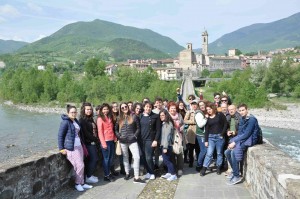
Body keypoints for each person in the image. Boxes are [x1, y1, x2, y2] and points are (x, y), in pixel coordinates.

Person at [58, 105, 93, 192]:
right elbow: (60, 135)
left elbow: (78, 134)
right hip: (71, 148)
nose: (74, 114)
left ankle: (82, 183)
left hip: (79, 146)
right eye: (72, 112)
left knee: (81, 165)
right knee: (79, 165)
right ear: (68, 113)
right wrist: (61, 148)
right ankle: (78, 184)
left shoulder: (75, 121)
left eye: (75, 112)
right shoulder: (65, 122)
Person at [225, 103, 260, 185]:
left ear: (247, 109)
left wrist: (235, 142)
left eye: (243, 110)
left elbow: (247, 134)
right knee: (227, 152)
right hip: (244, 138)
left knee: (234, 152)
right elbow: (240, 133)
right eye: (240, 110)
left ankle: (237, 176)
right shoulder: (242, 119)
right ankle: (235, 171)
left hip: (251, 139)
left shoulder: (252, 119)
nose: (241, 112)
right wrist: (234, 141)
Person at [115, 102, 145, 184]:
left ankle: (136, 176)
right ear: (120, 109)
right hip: (123, 141)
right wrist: (119, 136)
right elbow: (116, 129)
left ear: (128, 107)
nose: (124, 108)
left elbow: (138, 128)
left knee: (137, 157)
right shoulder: (119, 118)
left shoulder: (134, 116)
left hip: (132, 140)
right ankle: (127, 173)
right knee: (125, 157)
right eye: (122, 107)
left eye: (126, 106)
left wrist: (135, 136)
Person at [200, 103, 228, 176]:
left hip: (219, 137)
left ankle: (218, 167)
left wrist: (222, 134)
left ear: (213, 108)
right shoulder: (207, 118)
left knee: (219, 153)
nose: (208, 111)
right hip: (211, 137)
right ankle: (204, 168)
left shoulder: (220, 115)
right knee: (209, 153)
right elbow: (207, 130)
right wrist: (206, 141)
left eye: (210, 109)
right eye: (207, 110)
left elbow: (225, 124)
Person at [139, 102, 161, 180]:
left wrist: (155, 140)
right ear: (144, 107)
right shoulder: (140, 116)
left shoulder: (155, 116)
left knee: (149, 157)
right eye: (146, 107)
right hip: (141, 140)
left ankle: (152, 173)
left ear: (151, 108)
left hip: (150, 140)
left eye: (149, 107)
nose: (148, 108)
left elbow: (158, 130)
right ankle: (148, 171)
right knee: (144, 157)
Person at [79, 102, 99, 184]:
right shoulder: (82, 120)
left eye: (90, 109)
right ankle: (88, 177)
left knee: (92, 160)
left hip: (92, 142)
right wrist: (96, 139)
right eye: (87, 109)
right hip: (88, 143)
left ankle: (89, 175)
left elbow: (94, 130)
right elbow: (86, 133)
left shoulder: (90, 119)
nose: (89, 111)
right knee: (93, 159)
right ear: (83, 110)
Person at [97, 103, 117, 182]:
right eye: (104, 109)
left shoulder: (109, 117)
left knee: (111, 158)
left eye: (107, 109)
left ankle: (109, 173)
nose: (106, 110)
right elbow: (100, 132)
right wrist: (103, 143)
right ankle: (106, 175)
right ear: (101, 110)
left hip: (111, 140)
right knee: (106, 159)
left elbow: (111, 129)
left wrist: (114, 137)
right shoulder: (100, 119)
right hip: (105, 141)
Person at [159, 109, 177, 181]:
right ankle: (169, 172)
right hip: (164, 145)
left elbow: (167, 136)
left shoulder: (168, 124)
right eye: (160, 115)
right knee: (167, 160)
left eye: (163, 115)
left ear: (166, 115)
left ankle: (173, 174)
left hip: (166, 145)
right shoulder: (165, 123)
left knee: (167, 161)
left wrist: (165, 147)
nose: (161, 117)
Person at [168, 101, 185, 176]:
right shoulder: (167, 116)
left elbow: (183, 124)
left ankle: (180, 168)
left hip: (179, 136)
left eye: (174, 108)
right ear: (169, 109)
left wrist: (181, 128)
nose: (173, 110)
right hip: (170, 136)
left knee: (179, 153)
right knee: (171, 153)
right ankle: (173, 168)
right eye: (171, 108)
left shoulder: (179, 115)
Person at [224, 105, 241, 176]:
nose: (231, 111)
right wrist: (228, 131)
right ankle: (234, 170)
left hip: (238, 138)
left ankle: (236, 172)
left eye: (232, 109)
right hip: (231, 138)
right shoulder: (228, 117)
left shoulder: (240, 117)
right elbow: (227, 127)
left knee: (233, 154)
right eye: (229, 109)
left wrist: (235, 132)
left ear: (235, 109)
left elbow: (242, 130)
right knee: (227, 153)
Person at [184, 99, 199, 168]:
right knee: (190, 149)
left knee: (198, 149)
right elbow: (185, 121)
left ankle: (199, 162)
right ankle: (191, 162)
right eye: (193, 104)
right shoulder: (189, 112)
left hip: (199, 132)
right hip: (191, 133)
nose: (194, 106)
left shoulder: (200, 112)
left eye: (195, 104)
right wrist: (193, 121)